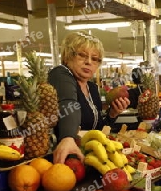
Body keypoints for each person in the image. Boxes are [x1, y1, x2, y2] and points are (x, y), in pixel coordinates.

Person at [48, 31, 130, 164]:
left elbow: (97, 130)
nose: (88, 62)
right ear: (68, 56)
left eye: (95, 59)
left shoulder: (92, 88)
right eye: (82, 55)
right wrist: (68, 137)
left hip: (87, 157)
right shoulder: (60, 74)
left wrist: (112, 114)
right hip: (62, 157)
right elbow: (68, 103)